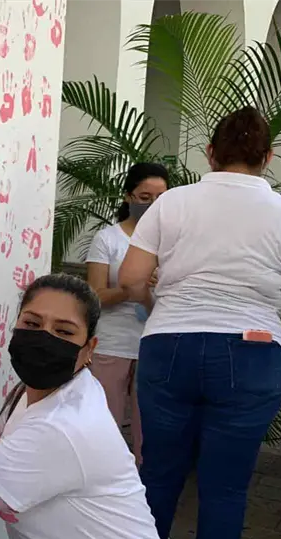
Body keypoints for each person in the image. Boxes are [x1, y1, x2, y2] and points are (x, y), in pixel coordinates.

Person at [118, 106, 281, 539]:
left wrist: (158, 303)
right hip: (254, 353)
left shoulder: (171, 203)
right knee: (226, 487)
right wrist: (263, 310)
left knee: (159, 476)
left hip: (169, 345)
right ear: (269, 156)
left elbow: (130, 279)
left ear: (210, 153)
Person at [0, 273, 160, 539]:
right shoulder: (45, 391)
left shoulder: (62, 426)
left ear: (89, 348)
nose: (44, 339)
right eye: (32, 323)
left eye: (64, 331)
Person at [86, 162, 169, 465]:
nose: (154, 206)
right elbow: (94, 296)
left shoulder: (174, 241)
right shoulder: (108, 239)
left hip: (155, 345)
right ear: (128, 197)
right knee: (104, 423)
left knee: (150, 427)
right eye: (145, 197)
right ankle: (101, 481)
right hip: (112, 345)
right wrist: (130, 287)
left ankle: (143, 491)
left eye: (161, 198)